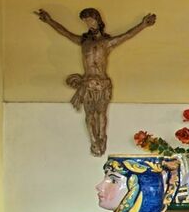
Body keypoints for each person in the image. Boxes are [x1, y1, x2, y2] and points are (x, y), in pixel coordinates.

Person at [36, 8, 156, 156]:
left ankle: (102, 138)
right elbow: (65, 32)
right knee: (90, 115)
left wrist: (143, 25)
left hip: (102, 84)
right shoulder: (83, 41)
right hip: (87, 84)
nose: (88, 23)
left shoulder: (107, 42)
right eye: (85, 21)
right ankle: (93, 141)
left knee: (101, 114)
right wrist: (49, 21)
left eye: (90, 20)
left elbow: (127, 35)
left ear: (97, 20)